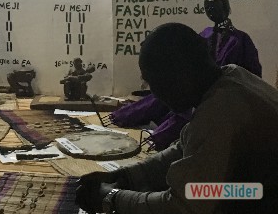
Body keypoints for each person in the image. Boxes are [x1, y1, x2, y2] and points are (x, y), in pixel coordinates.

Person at [76, 23, 278, 214]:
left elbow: (180, 206)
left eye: (153, 82)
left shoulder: (220, 113)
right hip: (249, 191)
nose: (154, 93)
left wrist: (111, 198)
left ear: (179, 79)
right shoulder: (232, 77)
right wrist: (125, 177)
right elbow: (187, 148)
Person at [109, 0, 262, 150]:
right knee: (159, 99)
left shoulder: (241, 41)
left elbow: (252, 76)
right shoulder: (205, 34)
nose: (210, 10)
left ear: (225, 6)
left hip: (220, 96)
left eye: (215, 5)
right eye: (207, 6)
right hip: (194, 90)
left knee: (184, 115)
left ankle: (156, 138)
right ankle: (122, 120)